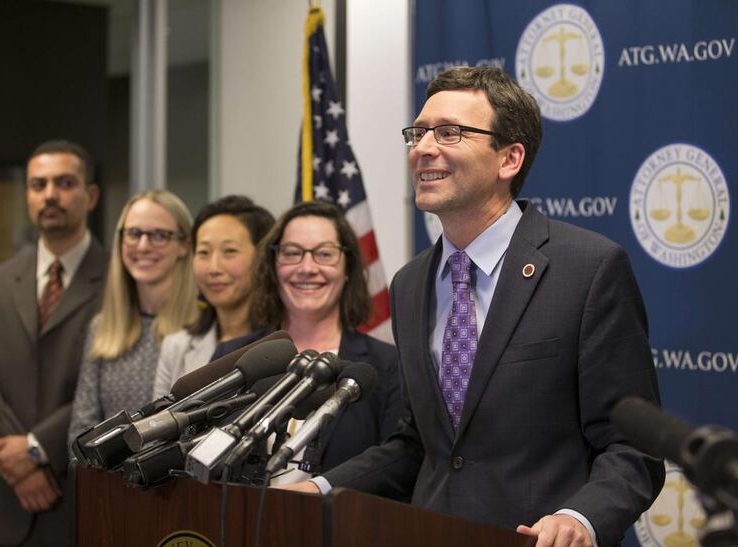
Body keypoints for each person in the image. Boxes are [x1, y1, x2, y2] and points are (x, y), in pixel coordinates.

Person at [284, 67, 665, 547]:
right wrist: (316, 488)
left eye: (449, 133)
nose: (422, 148)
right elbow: (419, 444)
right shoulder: (410, 284)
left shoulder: (587, 270)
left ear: (509, 159)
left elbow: (634, 445)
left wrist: (580, 518)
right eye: (418, 133)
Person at [0, 140, 107, 546]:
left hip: (83, 494)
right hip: (8, 501)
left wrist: (36, 449)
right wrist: (20, 466)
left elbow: (108, 389)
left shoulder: (122, 283)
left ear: (90, 195)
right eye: (38, 184)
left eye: (64, 183)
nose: (49, 194)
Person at [212, 200, 405, 481]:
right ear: (273, 265)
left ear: (347, 266)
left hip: (338, 522)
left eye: (324, 254)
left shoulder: (387, 365)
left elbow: (396, 467)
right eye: (292, 253)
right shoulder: (232, 356)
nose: (307, 268)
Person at [67, 190, 199, 447]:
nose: (143, 246)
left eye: (159, 235)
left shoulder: (203, 328)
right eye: (134, 234)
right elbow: (82, 432)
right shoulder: (102, 328)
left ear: (184, 245)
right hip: (110, 484)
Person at [152, 196, 275, 399]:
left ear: (262, 258)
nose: (214, 268)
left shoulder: (287, 341)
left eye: (229, 251)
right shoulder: (176, 347)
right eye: (203, 252)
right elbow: (157, 426)